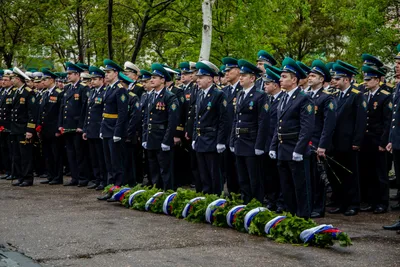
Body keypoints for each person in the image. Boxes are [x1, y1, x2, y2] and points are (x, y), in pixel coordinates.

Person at [269, 57, 314, 219]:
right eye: (281, 76)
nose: (280, 79)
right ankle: (291, 215)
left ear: (294, 79)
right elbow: (278, 125)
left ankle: (303, 218)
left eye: (284, 76)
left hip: (296, 148)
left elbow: (307, 128)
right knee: (286, 185)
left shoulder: (303, 98)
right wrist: (273, 146)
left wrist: (299, 149)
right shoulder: (283, 97)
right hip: (283, 148)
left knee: (301, 186)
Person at [327, 63, 367, 216]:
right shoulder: (336, 95)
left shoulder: (357, 95)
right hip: (336, 142)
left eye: (337, 78)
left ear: (346, 79)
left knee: (351, 174)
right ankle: (342, 202)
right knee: (338, 175)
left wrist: (357, 141)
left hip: (349, 142)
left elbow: (360, 121)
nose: (334, 81)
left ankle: (353, 204)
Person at [229, 59, 269, 203]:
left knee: (254, 177)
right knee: (242, 177)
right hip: (240, 140)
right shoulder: (240, 94)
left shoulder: (260, 95)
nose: (240, 78)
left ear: (252, 78)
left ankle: (257, 203)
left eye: (244, 76)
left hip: (252, 141)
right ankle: (246, 202)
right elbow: (236, 119)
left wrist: (259, 145)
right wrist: (232, 140)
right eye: (240, 75)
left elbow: (263, 122)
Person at [359, 65, 392, 214]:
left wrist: (383, 142)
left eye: (368, 79)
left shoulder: (385, 96)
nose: (365, 82)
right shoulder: (365, 95)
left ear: (377, 80)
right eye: (365, 79)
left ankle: (382, 202)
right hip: (366, 140)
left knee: (380, 173)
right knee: (369, 172)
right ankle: (372, 201)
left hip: (378, 139)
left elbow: (387, 122)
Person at [192, 60, 228, 195]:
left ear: (210, 79)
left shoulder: (218, 94)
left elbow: (223, 120)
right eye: (198, 77)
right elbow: (197, 118)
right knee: (203, 172)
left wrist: (220, 141)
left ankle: (216, 196)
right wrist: (195, 137)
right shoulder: (200, 93)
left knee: (214, 172)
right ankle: (206, 195)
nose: (198, 80)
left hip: (212, 138)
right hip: (201, 138)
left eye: (201, 78)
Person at [306, 60, 336, 218]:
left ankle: (318, 208)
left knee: (318, 178)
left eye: (313, 76)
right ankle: (309, 205)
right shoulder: (306, 95)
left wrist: (322, 145)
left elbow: (328, 124)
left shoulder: (326, 98)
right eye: (309, 75)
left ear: (321, 79)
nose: (309, 78)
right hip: (306, 143)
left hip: (318, 143)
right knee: (308, 177)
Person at [142, 63, 179, 190]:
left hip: (162, 137)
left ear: (163, 80)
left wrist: (167, 140)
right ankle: (156, 191)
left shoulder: (170, 97)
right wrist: (144, 138)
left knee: (165, 169)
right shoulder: (150, 95)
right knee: (153, 168)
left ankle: (167, 193)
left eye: (155, 77)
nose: (151, 80)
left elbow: (172, 121)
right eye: (151, 77)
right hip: (151, 137)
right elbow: (147, 119)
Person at [59, 62, 90, 187]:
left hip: (77, 126)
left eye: (70, 74)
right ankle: (74, 177)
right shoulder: (67, 88)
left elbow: (85, 108)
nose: (68, 76)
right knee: (70, 153)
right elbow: (63, 108)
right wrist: (61, 124)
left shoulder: (83, 88)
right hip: (67, 126)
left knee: (80, 153)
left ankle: (83, 177)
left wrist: (81, 126)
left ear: (77, 74)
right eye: (68, 74)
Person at [100, 59, 129, 188]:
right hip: (106, 128)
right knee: (108, 162)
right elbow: (105, 111)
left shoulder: (120, 89)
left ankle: (118, 187)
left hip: (114, 130)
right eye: (105, 72)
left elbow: (122, 114)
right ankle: (110, 186)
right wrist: (102, 129)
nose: (106, 74)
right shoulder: (108, 88)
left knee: (116, 161)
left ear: (116, 73)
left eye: (109, 72)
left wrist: (118, 132)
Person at [262, 68, 284, 212]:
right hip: (267, 141)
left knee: (279, 175)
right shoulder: (267, 99)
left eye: (267, 83)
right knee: (268, 174)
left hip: (278, 142)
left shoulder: (283, 98)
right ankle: (271, 199)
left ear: (275, 85)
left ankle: (281, 201)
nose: (264, 86)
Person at [37, 69, 64, 185]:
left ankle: (57, 177)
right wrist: (39, 127)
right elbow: (41, 111)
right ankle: (50, 175)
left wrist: (59, 127)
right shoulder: (45, 93)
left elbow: (60, 112)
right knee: (47, 153)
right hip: (45, 129)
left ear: (52, 80)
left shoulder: (59, 93)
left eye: (45, 79)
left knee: (56, 154)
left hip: (54, 129)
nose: (43, 81)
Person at [10, 67, 37, 187]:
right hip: (16, 128)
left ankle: (27, 178)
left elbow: (32, 113)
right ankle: (20, 176)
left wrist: (30, 130)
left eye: (13, 78)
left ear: (18, 79)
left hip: (24, 128)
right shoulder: (16, 91)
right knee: (17, 154)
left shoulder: (28, 92)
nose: (11, 81)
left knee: (25, 154)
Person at [82, 66, 107, 190]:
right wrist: (85, 129)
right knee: (94, 157)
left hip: (100, 129)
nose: (92, 81)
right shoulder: (92, 92)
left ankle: (103, 180)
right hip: (91, 129)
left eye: (95, 79)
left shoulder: (105, 92)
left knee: (101, 157)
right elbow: (88, 112)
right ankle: (97, 179)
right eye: (91, 79)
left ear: (102, 80)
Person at [221, 57, 242, 195]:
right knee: (228, 166)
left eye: (229, 70)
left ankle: (242, 194)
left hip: (240, 135)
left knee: (239, 167)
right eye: (225, 71)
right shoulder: (224, 91)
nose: (226, 73)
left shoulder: (243, 89)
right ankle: (232, 193)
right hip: (226, 134)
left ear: (238, 71)